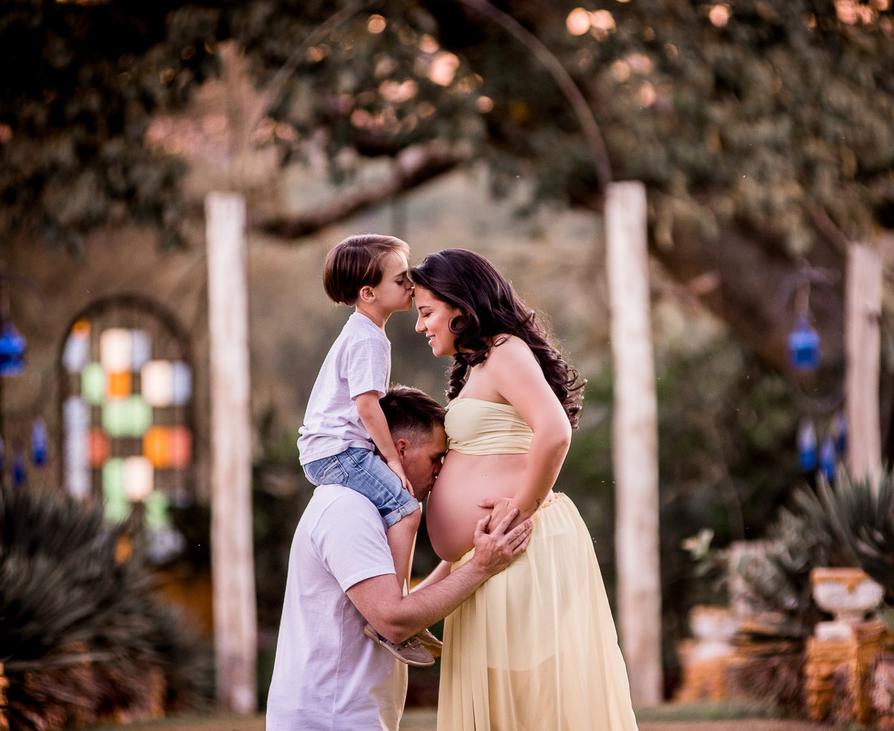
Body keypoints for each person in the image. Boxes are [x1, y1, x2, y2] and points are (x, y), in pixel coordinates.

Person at [410, 248, 640, 731]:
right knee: (510, 704)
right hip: (492, 557)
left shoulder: (503, 350)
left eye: (426, 312)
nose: (420, 326)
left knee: (534, 704)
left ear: (460, 305)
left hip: (521, 549)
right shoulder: (477, 365)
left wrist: (522, 506)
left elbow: (555, 432)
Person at [266, 386, 533, 731]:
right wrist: (481, 567)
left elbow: (401, 605)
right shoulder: (348, 510)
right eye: (436, 457)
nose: (441, 471)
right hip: (327, 720)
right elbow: (392, 623)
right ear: (401, 450)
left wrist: (469, 554)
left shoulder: (377, 513)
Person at [297, 233, 433, 665]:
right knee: (407, 508)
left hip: (329, 450)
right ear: (368, 292)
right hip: (336, 452)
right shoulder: (368, 339)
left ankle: (394, 604)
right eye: (402, 280)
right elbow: (367, 404)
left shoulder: (364, 332)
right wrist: (392, 459)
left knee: (394, 509)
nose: (411, 285)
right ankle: (393, 614)